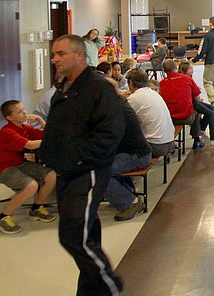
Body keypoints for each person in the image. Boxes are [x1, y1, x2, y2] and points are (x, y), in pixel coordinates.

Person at [41, 34, 125, 295]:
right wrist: (47, 153)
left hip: (86, 170)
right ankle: (90, 290)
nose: (54, 59)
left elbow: (110, 133)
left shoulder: (97, 88)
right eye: (53, 54)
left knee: (73, 235)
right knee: (86, 233)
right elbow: (60, 127)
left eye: (61, 54)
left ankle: (111, 287)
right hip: (67, 169)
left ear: (79, 55)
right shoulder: (64, 87)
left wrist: (78, 158)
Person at [0, 100, 56, 235]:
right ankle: (4, 216)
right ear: (9, 117)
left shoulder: (24, 128)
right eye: (19, 111)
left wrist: (40, 119)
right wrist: (52, 141)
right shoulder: (7, 132)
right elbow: (30, 145)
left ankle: (37, 207)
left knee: (52, 176)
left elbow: (47, 134)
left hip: (20, 164)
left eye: (23, 109)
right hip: (5, 168)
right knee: (31, 186)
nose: (25, 112)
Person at [103, 100, 151, 221]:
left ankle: (131, 202)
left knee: (100, 173)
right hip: (136, 151)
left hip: (137, 155)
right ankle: (124, 193)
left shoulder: (114, 110)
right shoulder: (119, 104)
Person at [124, 68, 175, 158]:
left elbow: (122, 119)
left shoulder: (134, 98)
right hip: (169, 141)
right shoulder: (152, 93)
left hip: (156, 146)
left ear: (131, 83)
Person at [159, 59, 204, 149]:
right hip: (186, 117)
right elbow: (198, 98)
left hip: (169, 118)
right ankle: (196, 139)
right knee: (197, 109)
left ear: (164, 71)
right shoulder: (187, 78)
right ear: (175, 68)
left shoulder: (161, 84)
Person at [178, 62, 214, 145]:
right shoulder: (187, 79)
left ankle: (201, 129)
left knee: (211, 108)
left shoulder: (184, 78)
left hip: (191, 101)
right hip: (191, 103)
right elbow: (196, 95)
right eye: (190, 68)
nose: (192, 70)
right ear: (184, 70)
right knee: (211, 113)